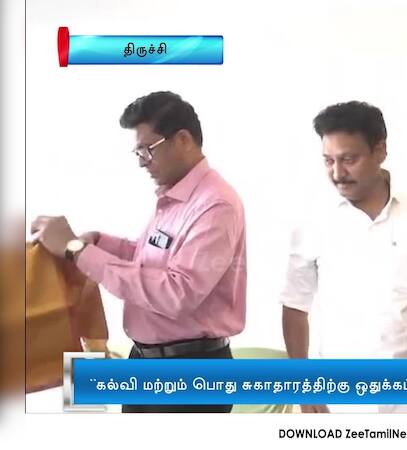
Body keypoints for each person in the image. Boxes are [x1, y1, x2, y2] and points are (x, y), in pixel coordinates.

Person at [30, 91, 247, 413]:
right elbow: (151, 259)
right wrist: (98, 243)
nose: (142, 161)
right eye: (138, 152)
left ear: (183, 140)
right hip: (145, 360)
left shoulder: (215, 205)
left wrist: (77, 251)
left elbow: (177, 293)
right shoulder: (176, 199)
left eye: (147, 150)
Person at [280, 101, 407, 413]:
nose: (337, 173)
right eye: (328, 160)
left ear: (380, 150)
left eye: (349, 159)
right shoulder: (311, 221)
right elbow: (294, 307)